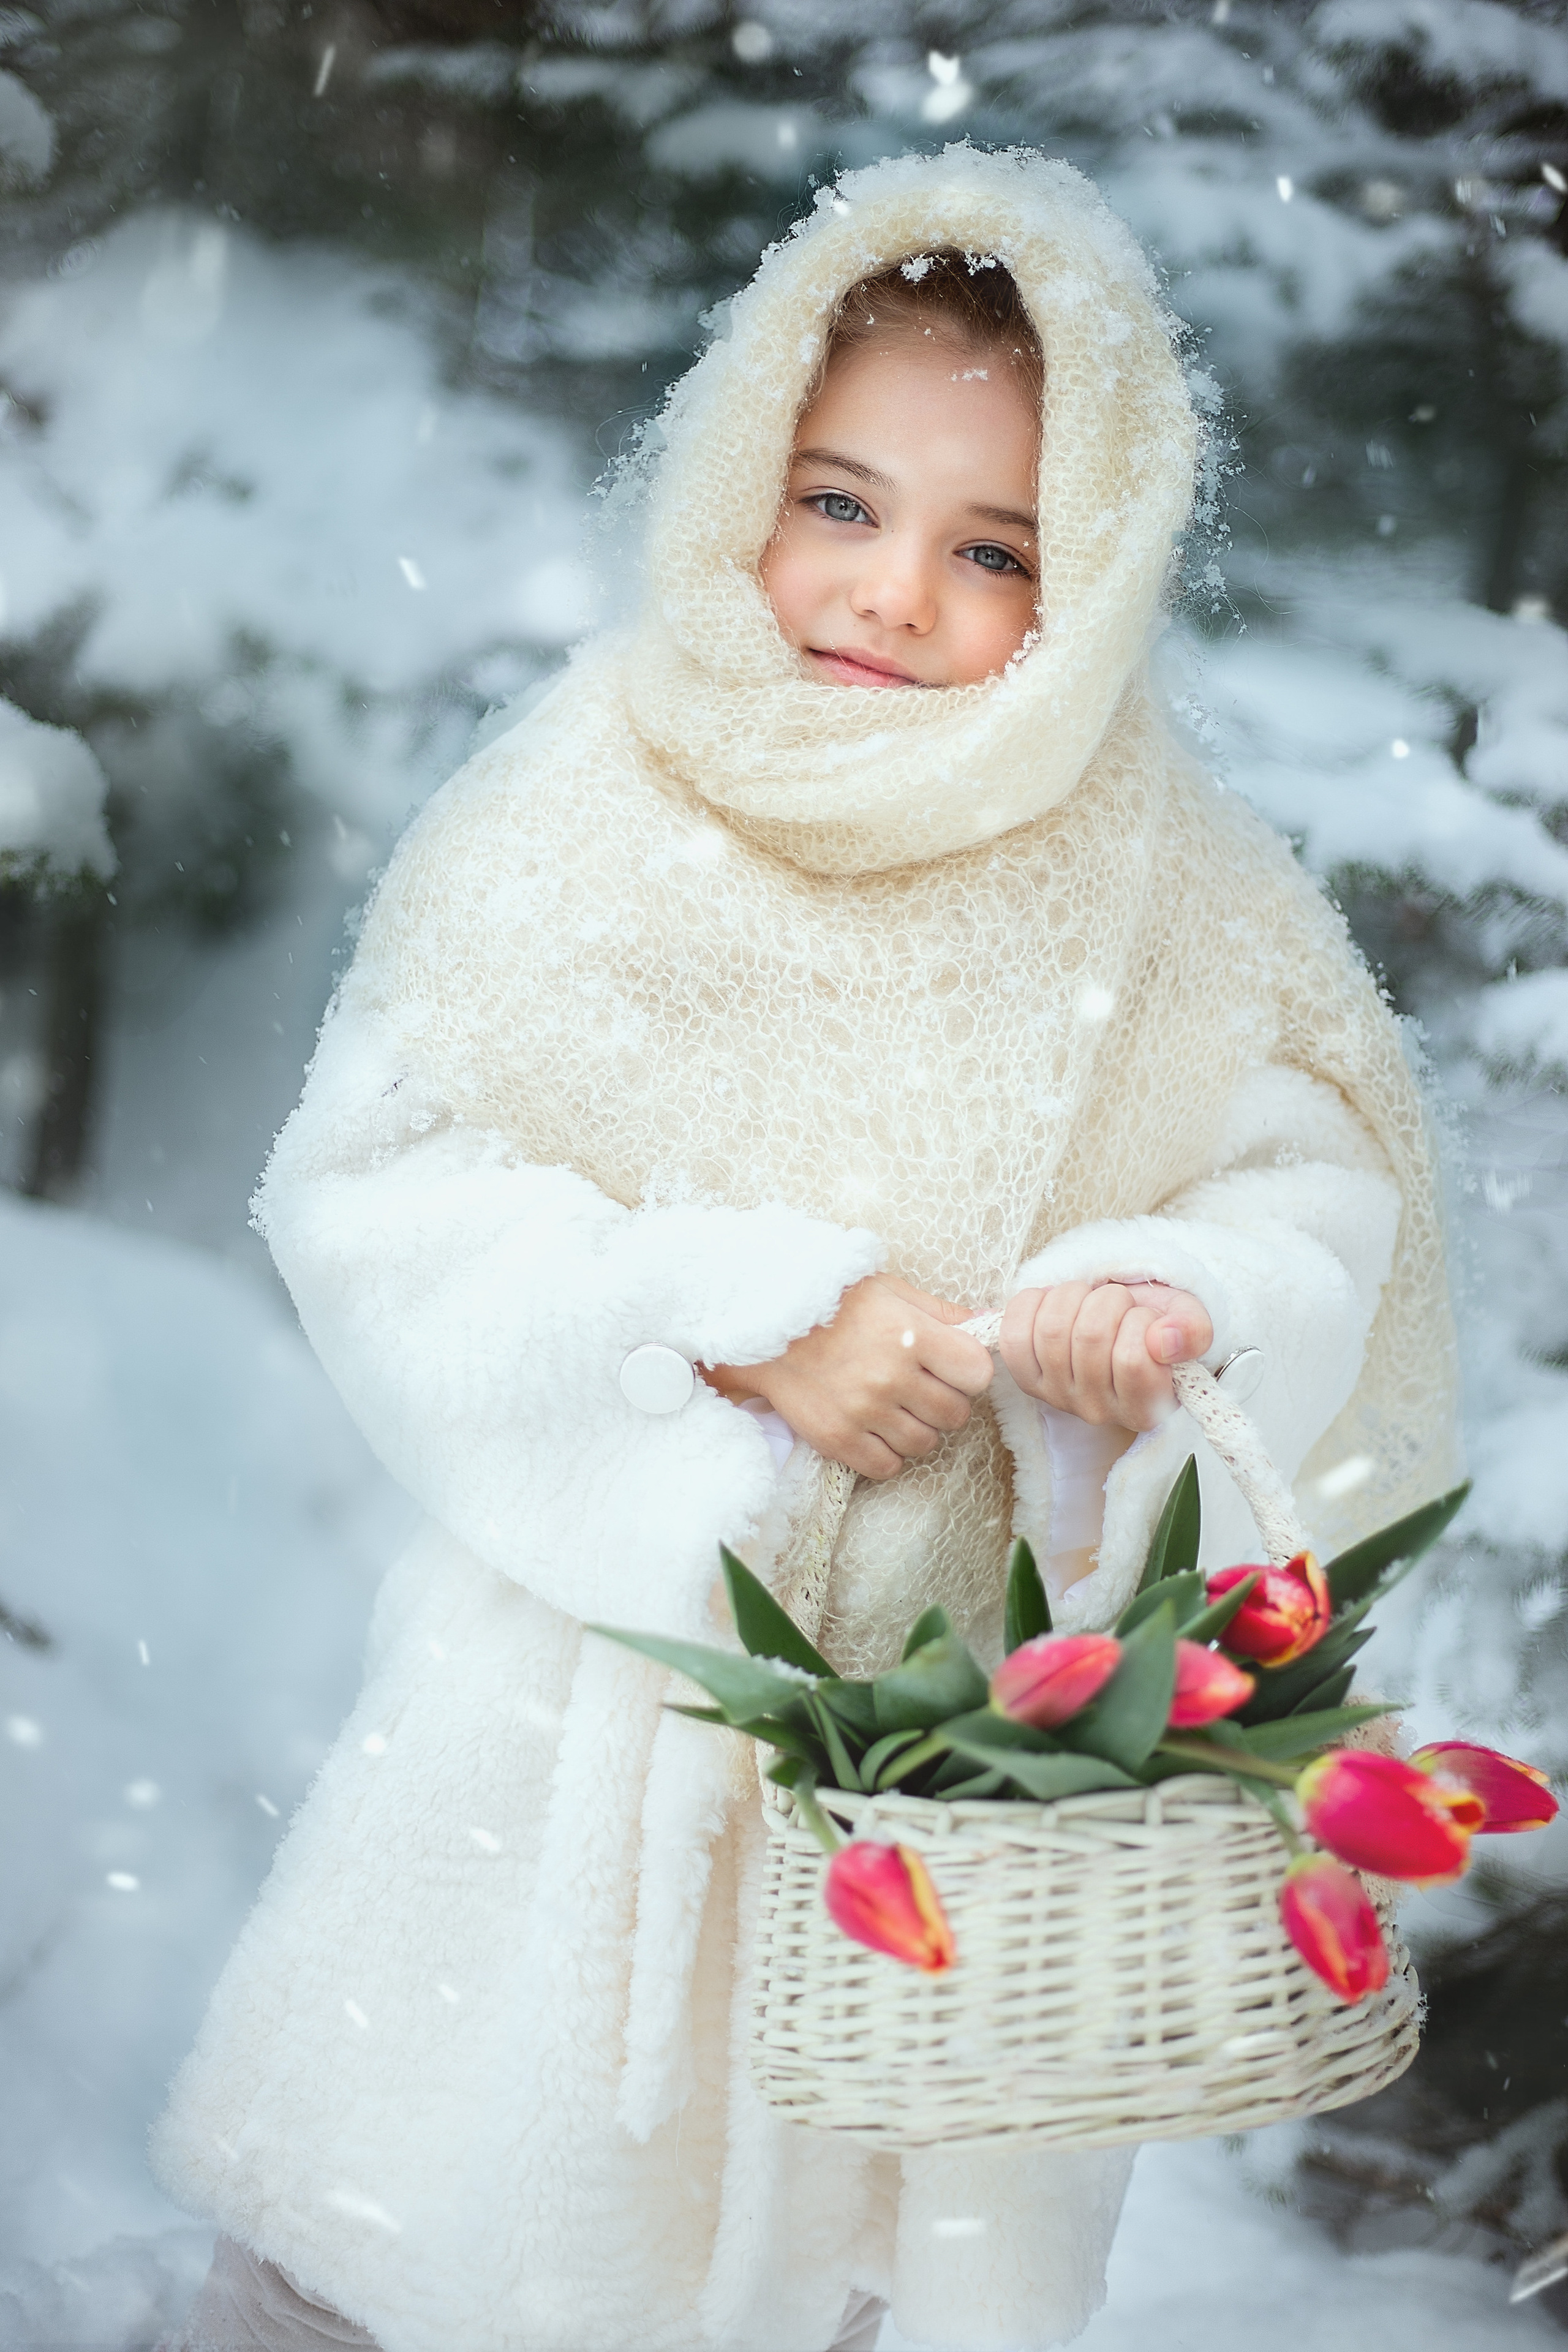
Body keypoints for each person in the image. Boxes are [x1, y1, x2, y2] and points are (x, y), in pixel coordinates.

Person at [152, 147, 1458, 2352]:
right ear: (737, 462)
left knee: (825, 2275)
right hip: (559, 1745)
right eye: (837, 502)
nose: (886, 595)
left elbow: (1318, 1187)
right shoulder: (591, 802)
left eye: (995, 551)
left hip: (943, 1802)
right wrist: (727, 1327)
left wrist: (1168, 1294)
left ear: (1105, 569)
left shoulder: (1170, 886)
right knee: (396, 2233)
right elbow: (380, 1174)